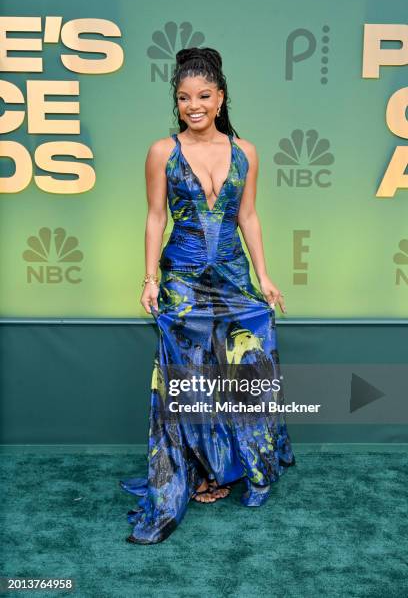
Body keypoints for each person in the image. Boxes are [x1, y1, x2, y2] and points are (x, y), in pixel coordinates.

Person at [119, 46, 296, 545]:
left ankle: (242, 465)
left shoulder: (246, 152)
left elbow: (249, 216)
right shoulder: (162, 151)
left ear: (220, 98)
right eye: (182, 98)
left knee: (244, 363)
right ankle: (197, 471)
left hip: (235, 275)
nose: (192, 105)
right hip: (183, 275)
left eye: (202, 96)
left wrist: (265, 276)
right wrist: (150, 278)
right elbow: (156, 216)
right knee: (188, 374)